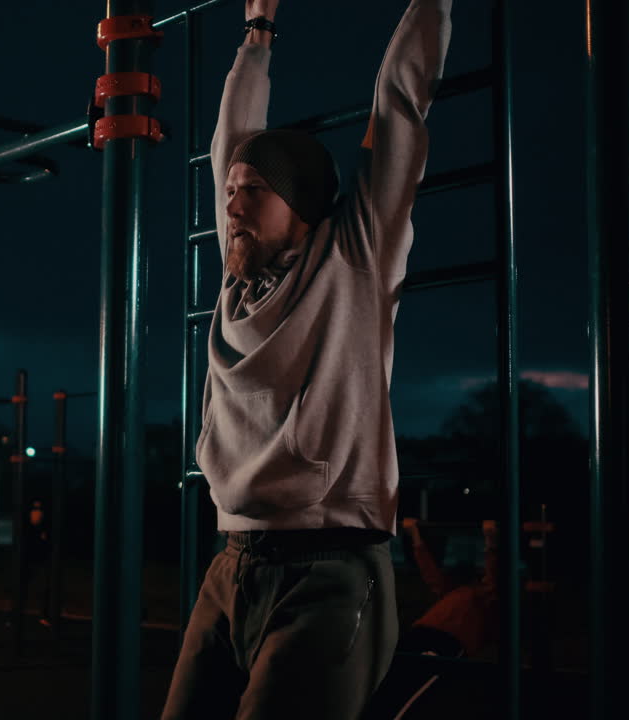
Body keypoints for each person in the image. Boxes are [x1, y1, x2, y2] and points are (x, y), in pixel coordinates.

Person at [161, 1, 453, 718]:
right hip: (231, 566)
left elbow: (399, 106)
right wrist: (257, 28)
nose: (233, 203)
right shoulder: (236, 284)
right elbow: (231, 139)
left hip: (328, 567)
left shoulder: (353, 258)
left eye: (254, 191)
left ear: (301, 204)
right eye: (229, 191)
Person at [361, 519, 499, 719]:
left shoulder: (489, 600)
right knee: (386, 682)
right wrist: (415, 535)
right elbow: (431, 573)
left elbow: (494, 578)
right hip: (419, 633)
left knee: (413, 688)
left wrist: (490, 541)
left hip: (447, 642)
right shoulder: (456, 591)